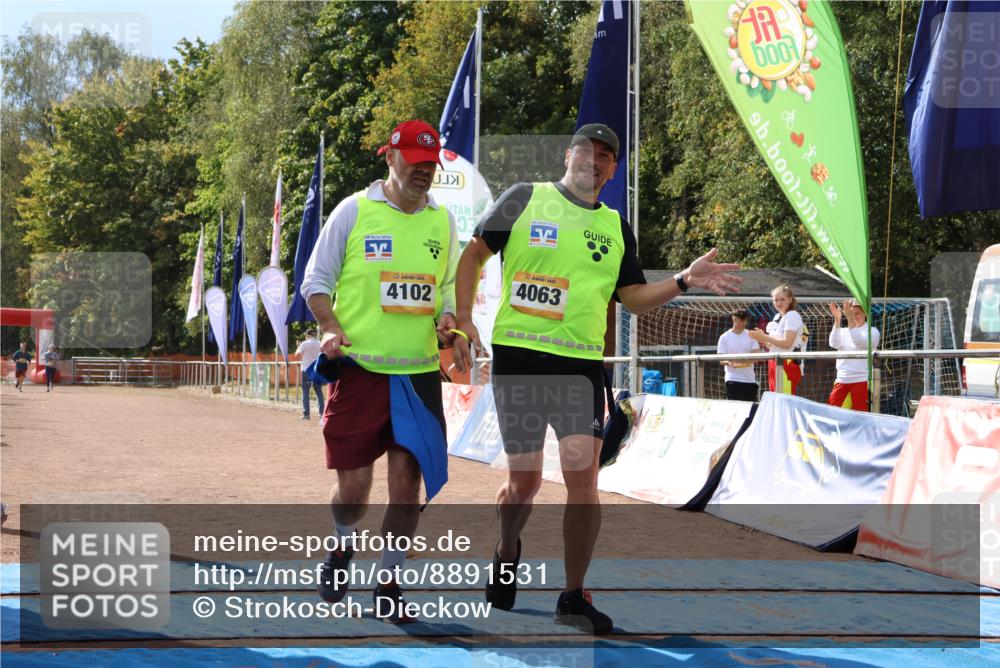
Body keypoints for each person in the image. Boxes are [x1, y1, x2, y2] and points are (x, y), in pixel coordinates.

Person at [450, 123, 741, 634]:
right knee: (525, 483)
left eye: (607, 155)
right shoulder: (525, 199)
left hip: (580, 367)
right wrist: (464, 315)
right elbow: (473, 254)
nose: (596, 160)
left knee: (584, 481)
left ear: (611, 169)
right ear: (569, 155)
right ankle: (506, 546)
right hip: (520, 358)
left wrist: (683, 281)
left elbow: (632, 299)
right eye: (588, 150)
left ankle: (572, 594)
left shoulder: (615, 226)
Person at [300, 119, 460, 624]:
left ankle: (389, 582)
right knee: (354, 492)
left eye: (432, 163)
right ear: (390, 158)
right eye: (416, 160)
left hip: (417, 376)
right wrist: (328, 326)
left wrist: (449, 319)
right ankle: (342, 547)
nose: (424, 171)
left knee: (407, 487)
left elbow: (448, 288)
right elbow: (315, 282)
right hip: (360, 370)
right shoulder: (354, 211)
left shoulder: (443, 222)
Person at [749, 284, 806, 395]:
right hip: (774, 361)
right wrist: (761, 338)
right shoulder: (777, 317)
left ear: (790, 299)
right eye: (776, 300)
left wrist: (765, 337)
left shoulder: (792, 315)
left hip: (786, 363)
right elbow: (772, 346)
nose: (779, 303)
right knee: (776, 399)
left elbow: (787, 343)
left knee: (784, 401)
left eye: (782, 299)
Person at [828, 298, 880, 412]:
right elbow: (833, 343)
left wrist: (850, 319)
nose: (854, 317)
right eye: (851, 313)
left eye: (857, 313)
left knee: (861, 416)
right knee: (833, 412)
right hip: (842, 379)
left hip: (862, 380)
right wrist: (837, 320)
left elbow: (859, 341)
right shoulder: (844, 330)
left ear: (865, 314)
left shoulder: (873, 331)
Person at [718, 309, 760, 401]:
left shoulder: (751, 335)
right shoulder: (724, 337)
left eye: (745, 320)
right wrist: (729, 363)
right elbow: (721, 359)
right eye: (741, 320)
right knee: (735, 410)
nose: (744, 322)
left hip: (750, 379)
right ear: (734, 319)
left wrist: (739, 362)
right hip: (733, 379)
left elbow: (755, 356)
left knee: (751, 410)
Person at [295, 329, 324, 420]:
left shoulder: (304, 344)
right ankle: (322, 413)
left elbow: (297, 355)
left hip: (306, 370)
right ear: (315, 335)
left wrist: (298, 346)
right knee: (319, 392)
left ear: (307, 335)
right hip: (317, 370)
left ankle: (306, 414)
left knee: (305, 392)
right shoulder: (320, 343)